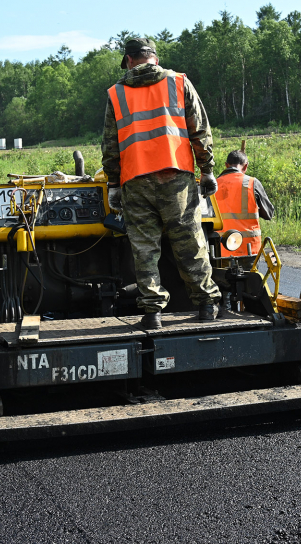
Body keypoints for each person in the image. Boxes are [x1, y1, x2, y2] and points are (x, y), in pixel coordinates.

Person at [101, 37, 221, 329]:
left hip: (135, 179)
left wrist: (114, 184)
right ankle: (206, 303)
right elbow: (199, 129)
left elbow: (111, 144)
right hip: (176, 175)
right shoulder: (178, 82)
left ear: (129, 60)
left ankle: (153, 313)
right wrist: (207, 169)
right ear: (154, 57)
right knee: (189, 240)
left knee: (144, 248)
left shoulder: (116, 93)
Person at [215, 149, 275, 259]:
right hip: (248, 248)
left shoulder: (214, 184)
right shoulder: (252, 183)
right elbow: (268, 214)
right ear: (245, 166)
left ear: (226, 165)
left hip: (219, 249)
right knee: (249, 276)